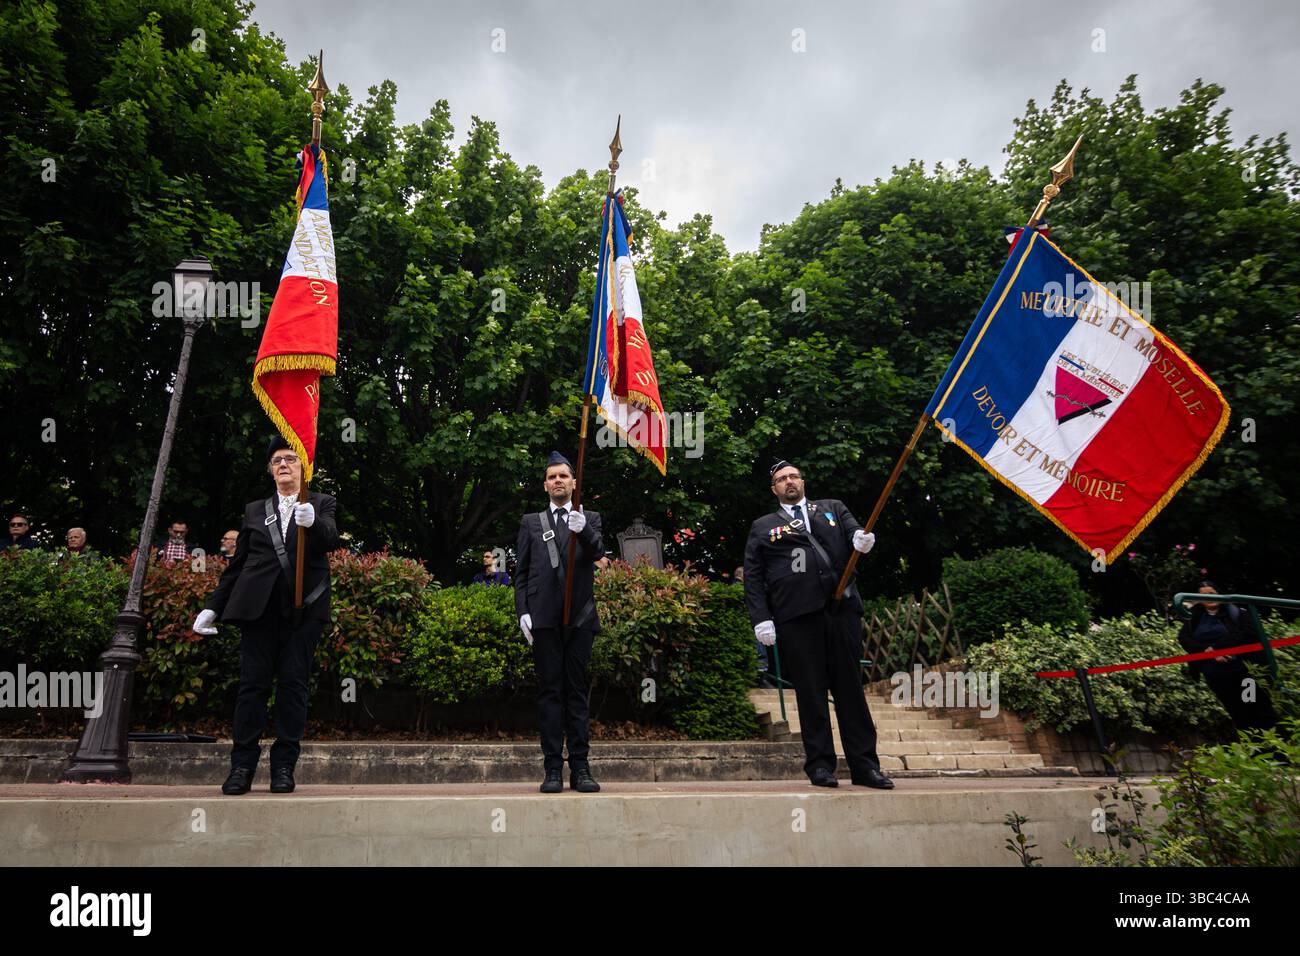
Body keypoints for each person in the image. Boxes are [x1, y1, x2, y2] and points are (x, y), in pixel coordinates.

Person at [192, 435, 339, 795]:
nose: (284, 464)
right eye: (277, 461)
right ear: (270, 470)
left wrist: (314, 523)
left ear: (304, 468)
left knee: (293, 688)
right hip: (257, 613)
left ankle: (284, 767)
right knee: (252, 689)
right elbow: (238, 564)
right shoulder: (255, 510)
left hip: (305, 613)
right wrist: (213, 605)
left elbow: (331, 538)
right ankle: (242, 766)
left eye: (291, 458)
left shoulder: (320, 502)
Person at [743, 459, 894, 789]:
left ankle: (865, 766)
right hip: (796, 618)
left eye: (794, 476)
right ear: (774, 489)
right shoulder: (763, 525)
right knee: (810, 693)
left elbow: (856, 532)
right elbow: (753, 577)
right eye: (781, 479)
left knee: (850, 690)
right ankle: (820, 765)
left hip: (840, 612)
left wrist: (861, 540)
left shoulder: (832, 509)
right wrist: (761, 619)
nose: (789, 481)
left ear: (803, 480)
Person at [514, 451, 604, 794]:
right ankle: (552, 768)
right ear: (545, 485)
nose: (558, 481)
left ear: (574, 482)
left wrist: (586, 533)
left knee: (577, 694)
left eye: (563, 476)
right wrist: (523, 610)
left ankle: (580, 768)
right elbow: (521, 572)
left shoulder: (589, 517)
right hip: (545, 620)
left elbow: (597, 554)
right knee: (550, 693)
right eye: (552, 477)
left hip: (580, 618)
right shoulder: (531, 522)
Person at [1178, 580, 1277, 735]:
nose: (1208, 597)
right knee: (1237, 712)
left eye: (1211, 593)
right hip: (1217, 675)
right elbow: (1184, 638)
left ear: (1219, 594)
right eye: (1203, 595)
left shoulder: (1236, 613)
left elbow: (1248, 634)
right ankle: (1253, 751)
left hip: (1244, 672)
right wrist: (1207, 651)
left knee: (1256, 706)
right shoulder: (1195, 618)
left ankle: (1276, 751)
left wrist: (1218, 648)